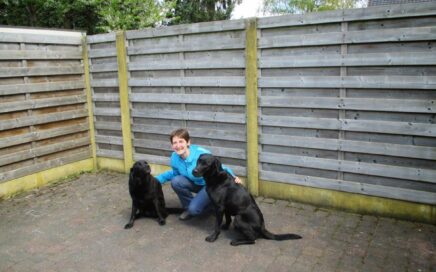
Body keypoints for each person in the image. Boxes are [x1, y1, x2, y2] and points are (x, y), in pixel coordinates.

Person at [156, 128, 241, 220]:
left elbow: (221, 167)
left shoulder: (201, 154)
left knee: (195, 209)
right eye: (174, 143)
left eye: (181, 141)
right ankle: (190, 208)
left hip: (209, 186)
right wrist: (156, 180)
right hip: (195, 184)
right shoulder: (174, 157)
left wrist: (233, 177)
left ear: (188, 142)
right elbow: (175, 173)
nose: (178, 145)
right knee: (176, 181)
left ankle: (211, 205)